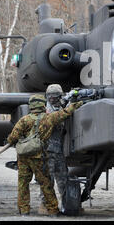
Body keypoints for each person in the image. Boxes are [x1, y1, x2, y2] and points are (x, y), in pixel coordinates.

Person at [7, 94, 83, 216]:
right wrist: (77, 104)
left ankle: (24, 210)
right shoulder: (50, 118)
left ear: (31, 106)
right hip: (39, 157)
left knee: (23, 184)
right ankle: (53, 210)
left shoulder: (24, 120)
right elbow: (65, 112)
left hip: (23, 158)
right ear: (43, 105)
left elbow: (12, 138)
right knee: (46, 184)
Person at [38, 84, 69, 214]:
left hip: (59, 150)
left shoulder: (63, 107)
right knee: (47, 179)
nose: (52, 98)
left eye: (55, 96)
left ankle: (68, 205)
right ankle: (44, 205)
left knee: (63, 178)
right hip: (47, 150)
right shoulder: (44, 110)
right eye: (50, 96)